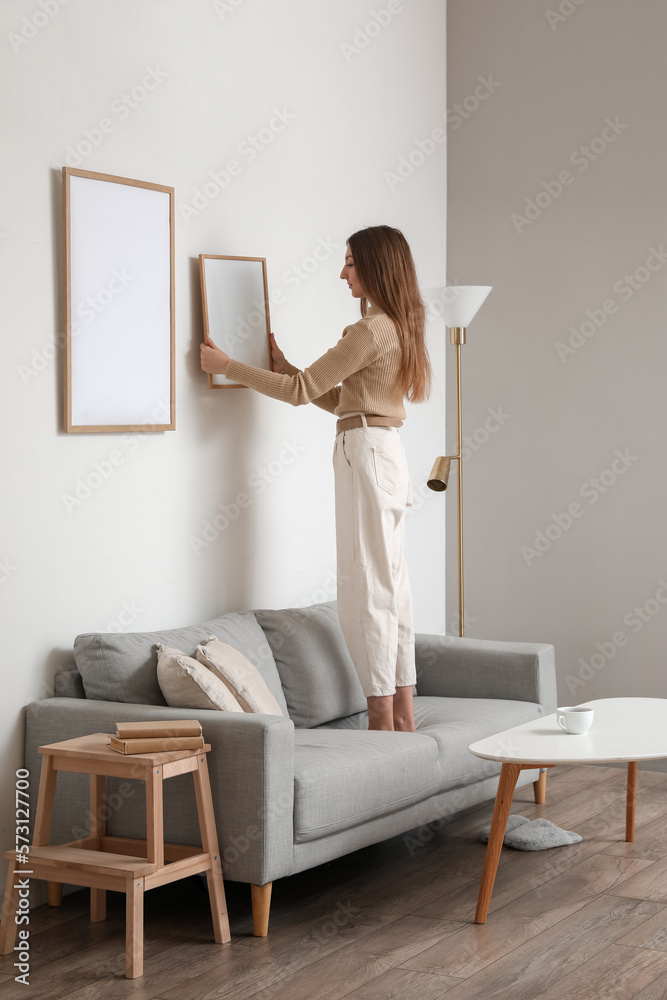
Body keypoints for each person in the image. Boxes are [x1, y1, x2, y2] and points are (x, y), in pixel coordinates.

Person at [200, 225, 431, 731]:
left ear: (373, 267)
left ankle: (379, 723)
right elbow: (341, 400)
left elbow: (302, 391)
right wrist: (285, 366)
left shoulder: (369, 330)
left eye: (349, 262)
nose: (341, 272)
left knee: (364, 586)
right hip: (386, 452)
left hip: (364, 454)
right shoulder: (399, 326)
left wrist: (227, 365)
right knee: (393, 586)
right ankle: (404, 719)